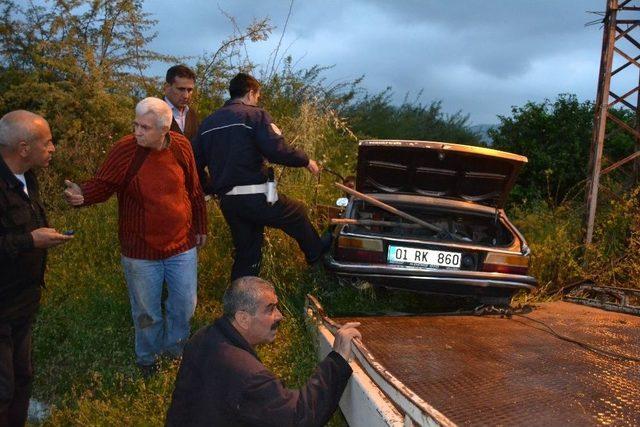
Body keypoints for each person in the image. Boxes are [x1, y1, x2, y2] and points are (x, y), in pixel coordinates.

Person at [63, 98, 207, 374]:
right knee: (146, 312)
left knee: (184, 306)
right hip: (140, 251)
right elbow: (103, 184)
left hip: (181, 245)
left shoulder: (181, 146)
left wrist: (200, 225)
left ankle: (175, 354)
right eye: (136, 124)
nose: (138, 132)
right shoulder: (125, 150)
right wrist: (82, 195)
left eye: (145, 127)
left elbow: (194, 189)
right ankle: (148, 359)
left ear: (165, 130)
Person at [165, 276, 361, 426]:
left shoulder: (203, 337)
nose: (280, 316)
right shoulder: (249, 376)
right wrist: (338, 359)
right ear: (243, 318)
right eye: (270, 309)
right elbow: (300, 417)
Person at [193, 72, 327, 280]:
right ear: (251, 92)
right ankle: (318, 260)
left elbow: (194, 164)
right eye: (257, 96)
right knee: (297, 213)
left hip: (229, 202)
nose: (257, 101)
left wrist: (211, 187)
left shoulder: (208, 123)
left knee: (248, 253)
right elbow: (276, 150)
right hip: (256, 197)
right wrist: (306, 160)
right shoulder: (255, 115)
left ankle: (239, 301)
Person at [0, 110, 72, 426]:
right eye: (48, 142)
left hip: (24, 301)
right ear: (24, 147)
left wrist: (44, 236)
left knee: (23, 376)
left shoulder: (28, 177)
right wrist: (31, 240)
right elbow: (18, 240)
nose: (53, 148)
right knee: (3, 387)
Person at [164, 64, 199, 142]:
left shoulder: (192, 114)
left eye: (189, 90)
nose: (186, 96)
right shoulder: (152, 112)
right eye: (181, 89)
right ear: (167, 87)